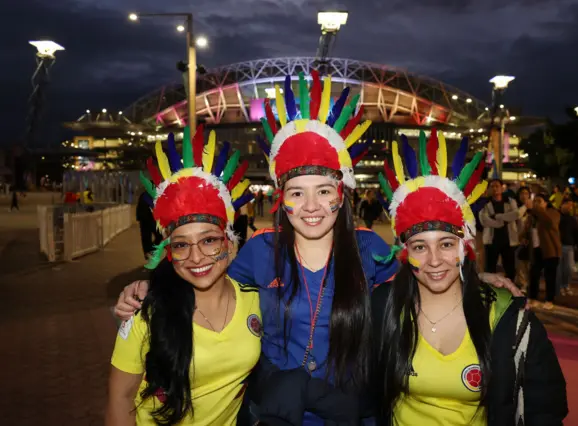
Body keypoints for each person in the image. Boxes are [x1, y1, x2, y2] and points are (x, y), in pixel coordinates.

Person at [113, 73, 521, 425]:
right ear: (280, 199)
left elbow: (426, 276)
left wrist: (478, 275)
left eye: (323, 191)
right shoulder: (258, 252)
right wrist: (151, 288)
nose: (310, 207)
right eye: (297, 193)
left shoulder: (371, 250)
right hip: (276, 415)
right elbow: (203, 275)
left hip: (351, 414)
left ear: (341, 195)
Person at [371, 135, 567, 425]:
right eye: (420, 247)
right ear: (404, 253)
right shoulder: (383, 308)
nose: (434, 260)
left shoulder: (509, 319)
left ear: (466, 247)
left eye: (447, 244)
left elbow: (546, 409)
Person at [106, 127, 260, 425]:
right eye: (181, 245)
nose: (196, 256)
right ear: (169, 252)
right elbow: (120, 398)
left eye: (209, 240)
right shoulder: (144, 310)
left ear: (229, 243)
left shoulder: (256, 300)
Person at [479, 179, 526, 282]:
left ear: (502, 188)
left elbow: (515, 215)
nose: (495, 188)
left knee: (510, 269)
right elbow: (484, 220)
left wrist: (497, 216)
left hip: (508, 240)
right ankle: (489, 292)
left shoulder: (510, 201)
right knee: (490, 268)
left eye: (497, 186)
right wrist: (501, 222)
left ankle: (510, 291)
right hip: (491, 240)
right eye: (492, 186)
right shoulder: (486, 203)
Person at [525, 193, 562, 309]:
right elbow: (527, 230)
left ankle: (549, 299)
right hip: (536, 249)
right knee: (533, 275)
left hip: (550, 250)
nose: (536, 203)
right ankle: (533, 298)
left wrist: (536, 210)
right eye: (534, 201)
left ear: (546, 203)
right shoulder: (533, 215)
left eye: (539, 201)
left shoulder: (553, 213)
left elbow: (550, 224)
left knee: (550, 276)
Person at [557, 198, 578, 296]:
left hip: (569, 246)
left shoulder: (572, 219)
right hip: (558, 245)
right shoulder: (556, 216)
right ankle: (560, 286)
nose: (570, 207)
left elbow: (577, 234)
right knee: (559, 268)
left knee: (568, 268)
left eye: (571, 205)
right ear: (562, 205)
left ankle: (566, 285)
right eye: (568, 205)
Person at [136, 191, 162, 260]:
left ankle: (149, 252)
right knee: (157, 236)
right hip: (149, 219)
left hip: (145, 219)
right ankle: (150, 251)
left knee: (147, 238)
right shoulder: (150, 195)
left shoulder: (145, 195)